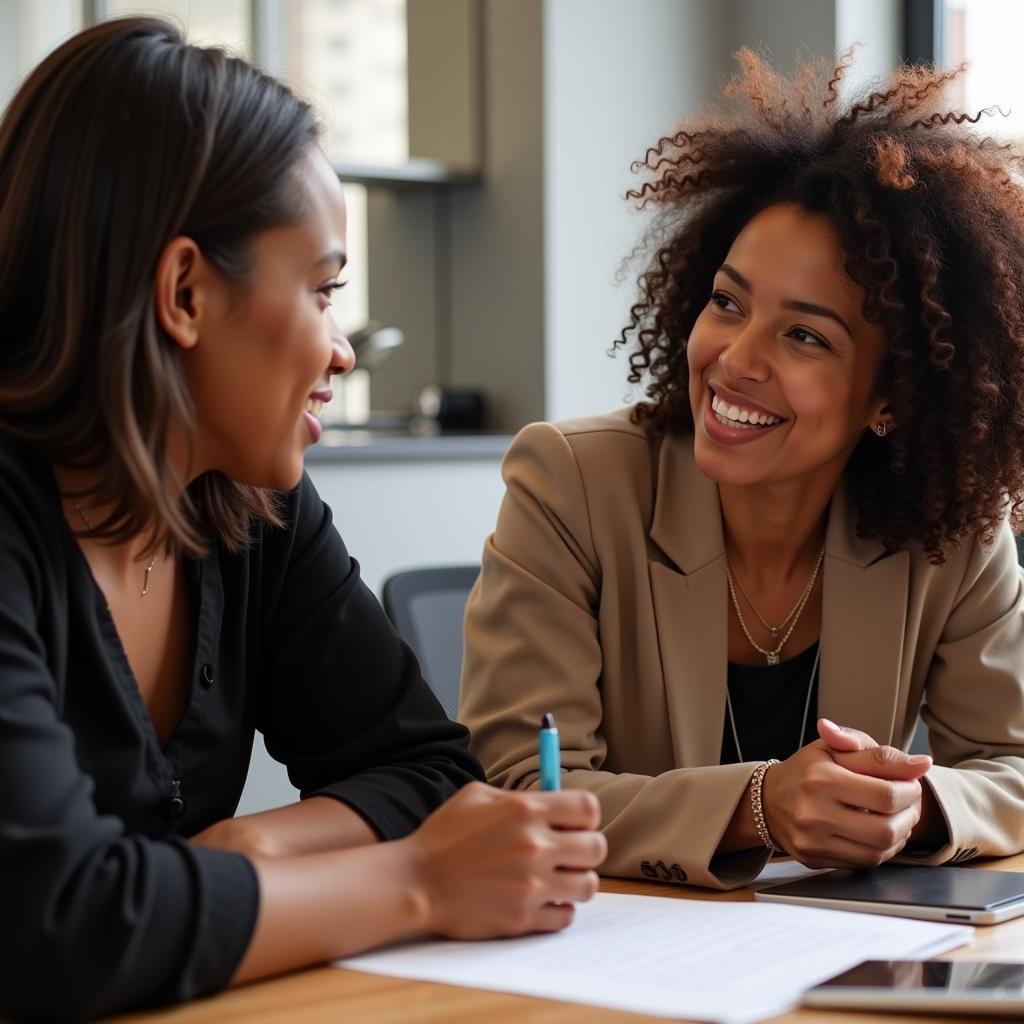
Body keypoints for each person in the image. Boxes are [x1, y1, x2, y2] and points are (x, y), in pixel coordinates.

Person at [0, 18, 606, 1022]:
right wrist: (418, 883)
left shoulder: (248, 502)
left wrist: (252, 845)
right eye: (323, 292)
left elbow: (423, 769)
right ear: (185, 291)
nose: (342, 352)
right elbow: (57, 923)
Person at [460, 51, 1024, 891]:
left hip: (829, 958)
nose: (734, 360)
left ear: (893, 398)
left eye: (805, 336)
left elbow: (1011, 766)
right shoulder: (569, 483)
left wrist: (920, 805)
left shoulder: (950, 531)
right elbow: (520, 788)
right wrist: (755, 806)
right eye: (728, 303)